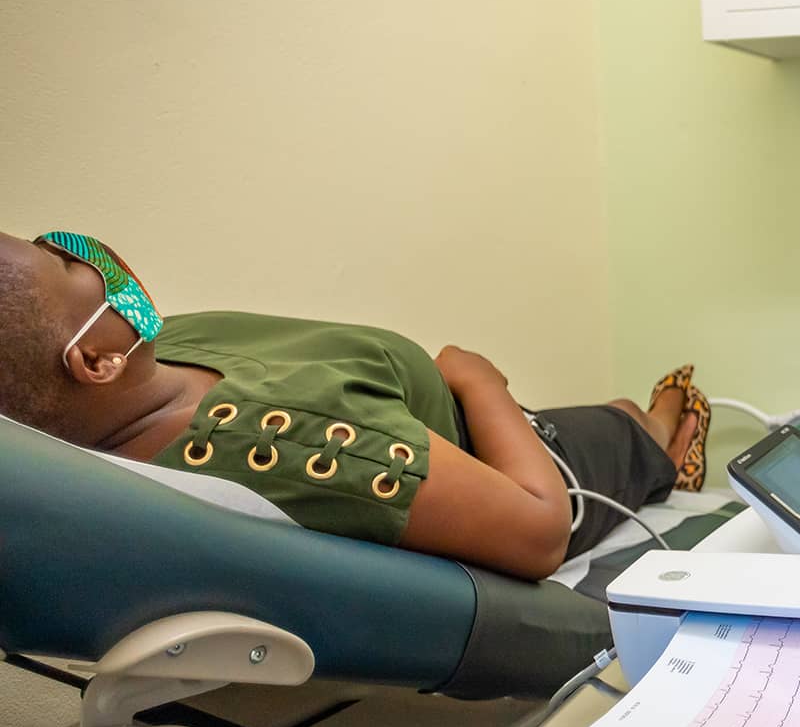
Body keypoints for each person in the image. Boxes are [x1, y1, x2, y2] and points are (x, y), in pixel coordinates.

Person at [0, 228, 711, 582]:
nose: (95, 259)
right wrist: (477, 380)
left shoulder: (149, 369)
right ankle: (661, 440)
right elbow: (537, 530)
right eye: (71, 266)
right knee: (625, 426)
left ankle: (643, 424)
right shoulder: (290, 441)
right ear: (97, 361)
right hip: (525, 455)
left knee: (607, 411)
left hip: (458, 434)